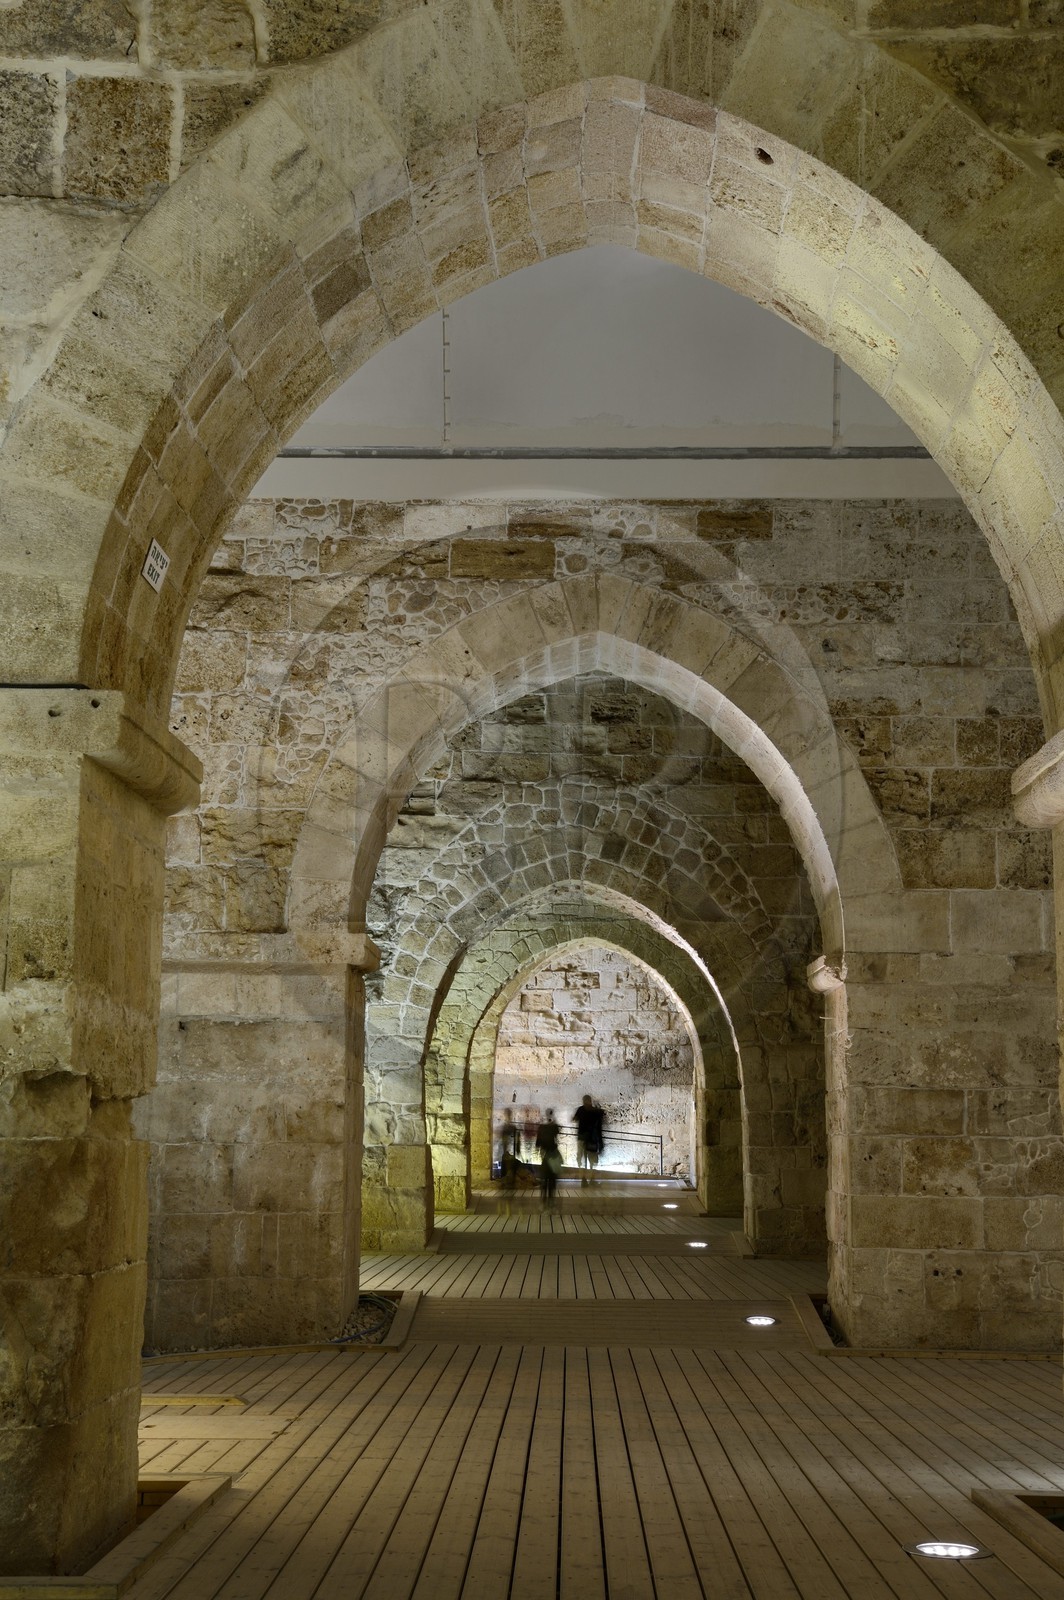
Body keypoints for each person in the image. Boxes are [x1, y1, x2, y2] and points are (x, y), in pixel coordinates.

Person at [572, 1095, 605, 1186]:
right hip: (592, 1138)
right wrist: (600, 1143)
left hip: (582, 1137)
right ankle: (591, 1178)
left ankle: (583, 1179)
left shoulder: (581, 1110)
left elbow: (574, 1119)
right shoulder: (595, 1112)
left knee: (582, 1158)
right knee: (592, 1159)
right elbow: (599, 1127)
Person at [535, 1108, 562, 1209]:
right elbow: (557, 1134)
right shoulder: (554, 1126)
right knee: (552, 1179)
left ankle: (543, 1201)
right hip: (553, 1155)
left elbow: (537, 1144)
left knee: (544, 1179)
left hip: (545, 1155)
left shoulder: (541, 1127)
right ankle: (551, 1200)